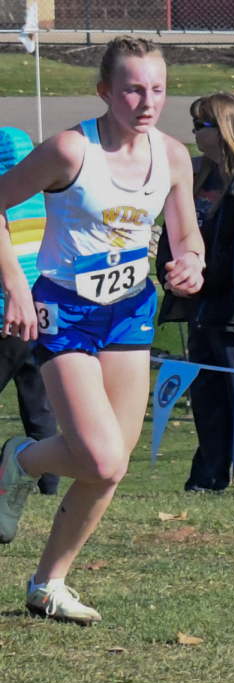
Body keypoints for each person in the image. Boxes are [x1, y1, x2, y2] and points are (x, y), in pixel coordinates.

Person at [0, 36, 204, 624]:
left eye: (157, 89)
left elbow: (186, 233)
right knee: (101, 454)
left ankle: (48, 585)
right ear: (105, 92)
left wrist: (191, 262)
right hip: (64, 310)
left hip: (130, 309)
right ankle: (23, 458)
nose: (147, 101)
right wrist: (15, 283)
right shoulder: (69, 150)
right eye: (134, 89)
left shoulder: (172, 155)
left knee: (110, 465)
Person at [161, 92, 234, 492]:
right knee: (208, 396)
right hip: (199, 306)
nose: (193, 133)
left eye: (199, 126)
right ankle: (209, 474)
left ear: (222, 127)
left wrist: (207, 277)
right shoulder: (195, 174)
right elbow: (174, 233)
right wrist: (171, 273)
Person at [0, 128, 59, 497]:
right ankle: (49, 485)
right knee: (39, 405)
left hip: (6, 317)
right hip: (45, 316)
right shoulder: (46, 201)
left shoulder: (3, 205)